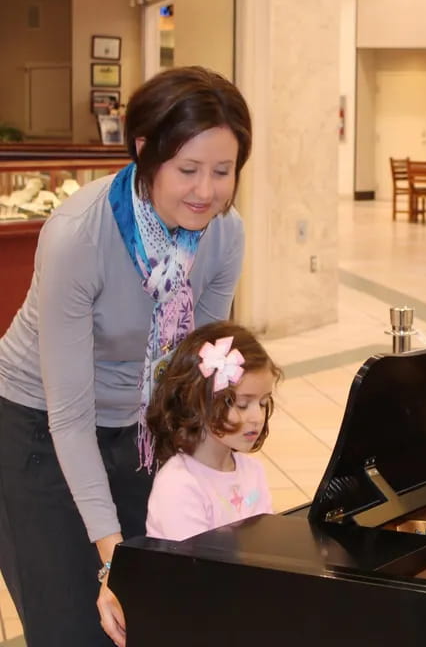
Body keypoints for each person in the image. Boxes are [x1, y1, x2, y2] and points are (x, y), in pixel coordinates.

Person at [0, 65, 252, 647]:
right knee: (74, 628)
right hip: (39, 427)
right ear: (145, 150)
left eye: (222, 172)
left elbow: (198, 367)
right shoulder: (77, 236)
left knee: (152, 616)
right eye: (187, 170)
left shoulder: (224, 234)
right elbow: (68, 415)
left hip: (142, 426)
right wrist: (114, 556)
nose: (205, 191)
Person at [145, 321, 278, 542]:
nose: (257, 418)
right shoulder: (180, 484)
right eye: (242, 405)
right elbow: (197, 570)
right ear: (200, 403)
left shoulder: (253, 471)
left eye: (263, 403)